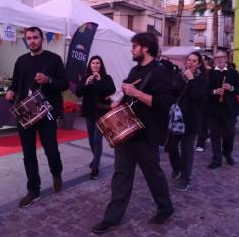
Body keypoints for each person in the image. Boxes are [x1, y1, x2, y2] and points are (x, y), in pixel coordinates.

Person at [91, 32, 174, 234]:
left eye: (135, 46)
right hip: (127, 130)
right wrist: (118, 102)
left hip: (147, 133)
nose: (132, 49)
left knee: (152, 174)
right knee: (121, 175)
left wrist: (136, 93)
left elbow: (164, 103)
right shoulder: (135, 70)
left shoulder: (161, 71)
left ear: (145, 47)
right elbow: (128, 96)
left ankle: (166, 208)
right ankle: (112, 218)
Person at [5, 27, 68, 208]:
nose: (32, 41)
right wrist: (11, 91)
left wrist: (48, 80)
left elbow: (64, 84)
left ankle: (56, 173)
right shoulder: (21, 60)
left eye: (35, 37)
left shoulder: (54, 59)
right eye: (29, 38)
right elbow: (15, 83)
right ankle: (33, 190)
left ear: (42, 39)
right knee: (28, 154)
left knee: (51, 150)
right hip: (26, 114)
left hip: (47, 113)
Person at [167, 52, 208, 191]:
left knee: (187, 151)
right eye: (189, 60)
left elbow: (198, 96)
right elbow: (172, 92)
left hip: (191, 119)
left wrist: (191, 81)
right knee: (171, 146)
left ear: (198, 64)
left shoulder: (202, 78)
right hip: (177, 119)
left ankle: (185, 178)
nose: (190, 63)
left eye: (194, 61)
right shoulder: (179, 76)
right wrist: (182, 80)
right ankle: (177, 167)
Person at [76, 55, 116, 180]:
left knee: (97, 140)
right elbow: (78, 93)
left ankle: (95, 167)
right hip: (89, 112)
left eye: (98, 63)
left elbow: (111, 90)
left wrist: (99, 81)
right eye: (93, 63)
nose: (95, 65)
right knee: (91, 140)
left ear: (101, 65)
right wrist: (85, 84)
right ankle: (96, 158)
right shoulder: (86, 78)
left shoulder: (106, 78)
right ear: (90, 65)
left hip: (101, 112)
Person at [207, 50, 239, 169]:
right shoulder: (209, 73)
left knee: (229, 135)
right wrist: (214, 91)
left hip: (229, 109)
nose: (220, 59)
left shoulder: (233, 73)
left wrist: (231, 87)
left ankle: (227, 153)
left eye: (222, 57)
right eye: (217, 57)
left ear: (227, 59)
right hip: (213, 109)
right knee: (215, 135)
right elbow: (204, 91)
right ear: (214, 60)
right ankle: (216, 159)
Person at [195, 54, 213, 152]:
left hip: (208, 99)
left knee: (204, 121)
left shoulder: (211, 71)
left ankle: (200, 142)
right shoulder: (198, 71)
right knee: (202, 121)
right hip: (199, 99)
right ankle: (204, 137)